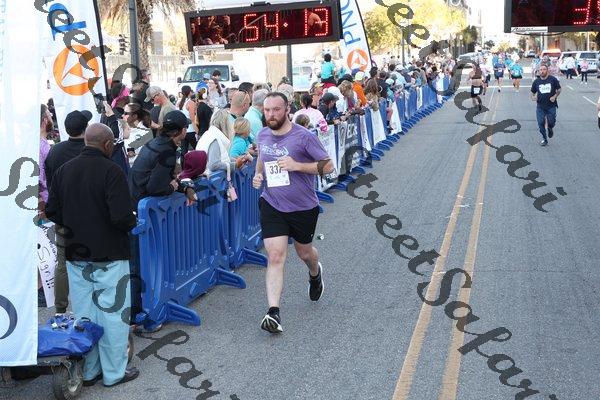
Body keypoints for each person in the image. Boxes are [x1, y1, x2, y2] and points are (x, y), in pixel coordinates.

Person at [45, 123, 139, 387]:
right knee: (113, 314)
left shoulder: (64, 171)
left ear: (87, 141)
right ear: (107, 145)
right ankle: (114, 372)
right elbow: (121, 217)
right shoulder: (112, 171)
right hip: (109, 253)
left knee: (85, 314)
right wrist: (131, 221)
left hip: (76, 253)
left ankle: (89, 370)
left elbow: (52, 211)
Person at [252, 92, 334, 334]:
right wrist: (258, 175)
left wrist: (297, 165)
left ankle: (315, 273)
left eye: (276, 110)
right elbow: (262, 158)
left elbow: (329, 166)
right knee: (275, 255)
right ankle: (273, 312)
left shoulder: (304, 136)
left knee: (304, 252)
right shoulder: (262, 134)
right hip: (272, 203)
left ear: (287, 109)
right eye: (267, 110)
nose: (271, 114)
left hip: (303, 207)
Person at [44, 109, 92, 313]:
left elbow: (49, 182)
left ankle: (61, 309)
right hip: (91, 215)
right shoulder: (92, 150)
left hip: (64, 215)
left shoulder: (55, 151)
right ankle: (90, 308)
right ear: (86, 128)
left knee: (63, 263)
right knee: (94, 262)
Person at [196, 109, 252, 175]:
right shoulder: (215, 139)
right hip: (212, 179)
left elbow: (223, 159)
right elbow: (214, 165)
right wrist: (235, 165)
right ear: (226, 124)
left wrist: (239, 160)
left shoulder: (210, 135)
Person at [530, 64, 561, 146]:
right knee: (540, 123)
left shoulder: (553, 79)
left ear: (547, 71)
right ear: (538, 71)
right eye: (540, 70)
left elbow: (559, 89)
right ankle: (544, 139)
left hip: (551, 105)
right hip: (540, 106)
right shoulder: (536, 82)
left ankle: (550, 128)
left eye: (544, 69)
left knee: (551, 122)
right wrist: (533, 97)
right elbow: (532, 92)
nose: (542, 71)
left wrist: (555, 96)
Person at [177, 86, 199, 168]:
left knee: (184, 151)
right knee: (198, 149)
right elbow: (193, 119)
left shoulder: (180, 102)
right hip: (191, 130)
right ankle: (198, 167)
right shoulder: (190, 103)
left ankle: (183, 169)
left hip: (183, 130)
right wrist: (197, 132)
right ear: (190, 92)